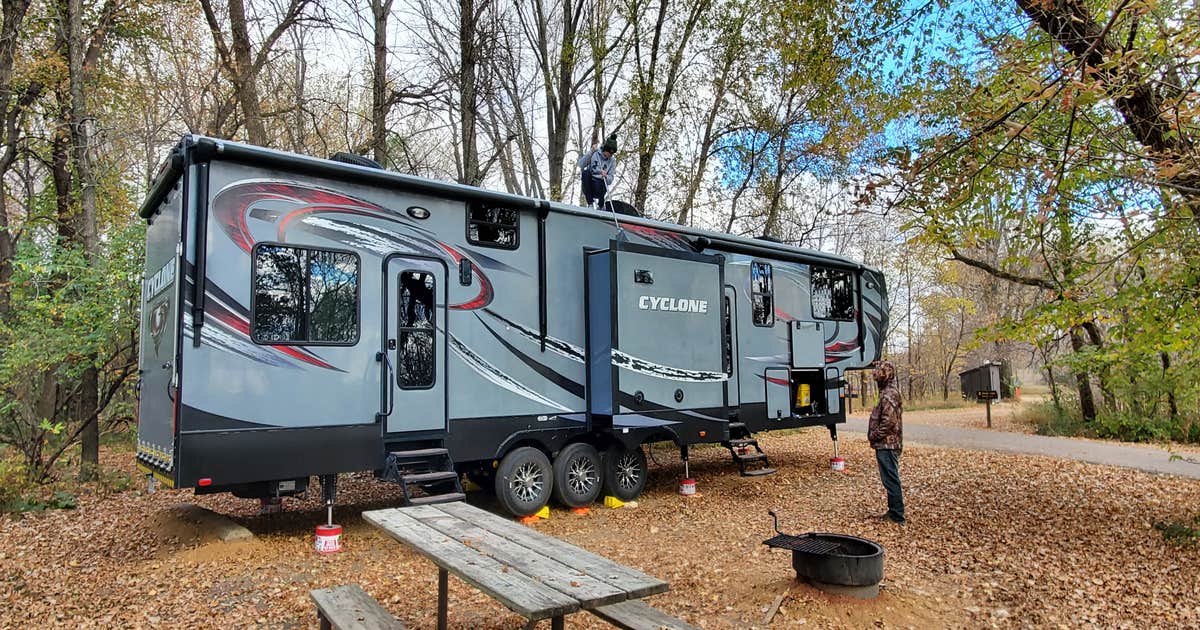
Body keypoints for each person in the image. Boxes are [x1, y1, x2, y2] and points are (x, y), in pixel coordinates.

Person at [868, 360, 904, 524]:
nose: (876, 376)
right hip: (885, 444)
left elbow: (888, 421)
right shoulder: (886, 392)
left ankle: (897, 515)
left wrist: (875, 435)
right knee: (888, 478)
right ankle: (893, 512)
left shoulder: (890, 394)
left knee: (891, 478)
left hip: (888, 444)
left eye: (879, 373)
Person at [578, 133, 618, 207]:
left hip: (600, 186)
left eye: (612, 154)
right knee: (585, 173)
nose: (610, 156)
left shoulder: (612, 161)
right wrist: (591, 152)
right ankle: (590, 204)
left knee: (600, 183)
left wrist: (606, 176)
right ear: (605, 149)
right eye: (609, 153)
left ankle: (601, 205)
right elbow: (581, 164)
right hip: (589, 186)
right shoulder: (595, 153)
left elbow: (610, 179)